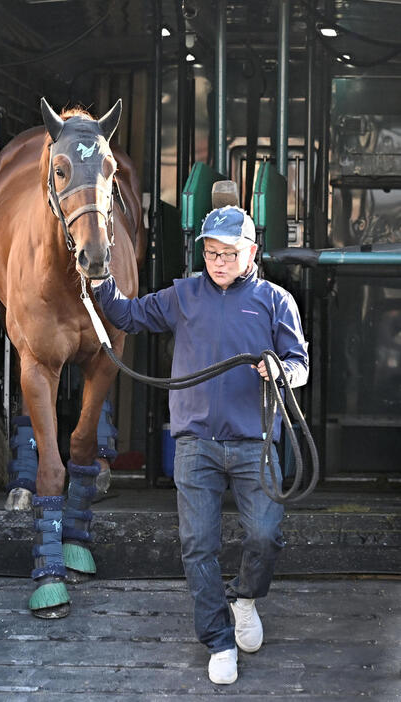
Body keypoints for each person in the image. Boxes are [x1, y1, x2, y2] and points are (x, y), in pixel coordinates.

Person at [91, 205, 308, 685]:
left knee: (266, 535)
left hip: (255, 443)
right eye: (210, 252)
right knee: (197, 545)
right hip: (195, 443)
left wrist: (281, 370)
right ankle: (218, 639)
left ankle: (246, 598)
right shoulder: (184, 294)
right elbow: (128, 314)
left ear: (251, 252)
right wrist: (100, 279)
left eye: (228, 253)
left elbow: (300, 364)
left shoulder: (276, 301)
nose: (218, 261)